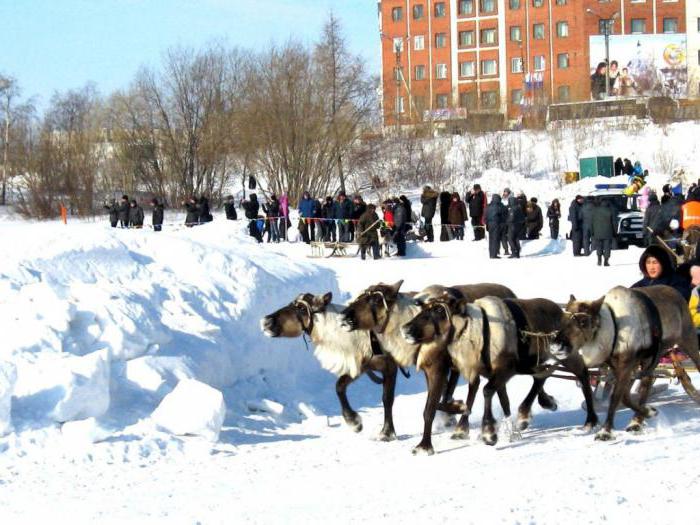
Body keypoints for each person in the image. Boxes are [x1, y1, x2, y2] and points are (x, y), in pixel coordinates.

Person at [591, 198, 614, 266]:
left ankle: (599, 260)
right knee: (607, 247)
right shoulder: (609, 210)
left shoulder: (595, 210)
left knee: (599, 246)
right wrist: (615, 231)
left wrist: (592, 232)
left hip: (597, 232)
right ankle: (606, 261)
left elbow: (591, 223)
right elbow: (614, 222)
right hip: (608, 232)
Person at [485, 194, 507, 259]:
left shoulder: (488, 206)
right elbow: (504, 215)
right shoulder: (500, 206)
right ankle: (494, 255)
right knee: (495, 239)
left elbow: (485, 215)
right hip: (497, 224)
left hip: (489, 224)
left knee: (491, 239)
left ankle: (491, 254)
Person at [500, 188, 512, 255]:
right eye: (504, 192)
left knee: (506, 236)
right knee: (502, 236)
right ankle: (503, 250)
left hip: (508, 219)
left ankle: (508, 250)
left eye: (506, 192)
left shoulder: (510, 199)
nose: (505, 193)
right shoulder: (501, 198)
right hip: (502, 219)